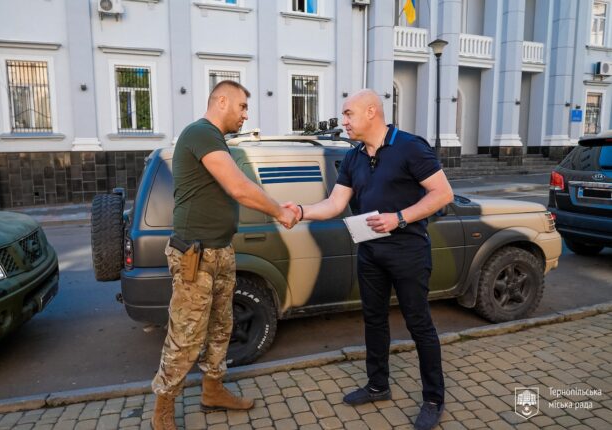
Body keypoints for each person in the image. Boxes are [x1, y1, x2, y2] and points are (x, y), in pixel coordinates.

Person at [284, 89, 453, 430]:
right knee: (374, 321)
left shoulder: (410, 146)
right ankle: (378, 386)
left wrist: (400, 217)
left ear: (372, 111)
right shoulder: (354, 156)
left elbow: (442, 193)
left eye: (348, 114)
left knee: (419, 325)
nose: (342, 121)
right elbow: (334, 204)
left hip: (408, 251)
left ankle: (433, 398)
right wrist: (300, 211)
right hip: (370, 252)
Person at [151, 80, 297, 430]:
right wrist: (280, 212)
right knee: (185, 336)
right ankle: (163, 409)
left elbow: (238, 187)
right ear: (221, 101)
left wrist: (279, 205)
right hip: (195, 255)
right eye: (243, 107)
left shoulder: (217, 141)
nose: (246, 115)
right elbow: (237, 187)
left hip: (220, 250)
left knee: (221, 327)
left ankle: (212, 391)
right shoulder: (201, 133)